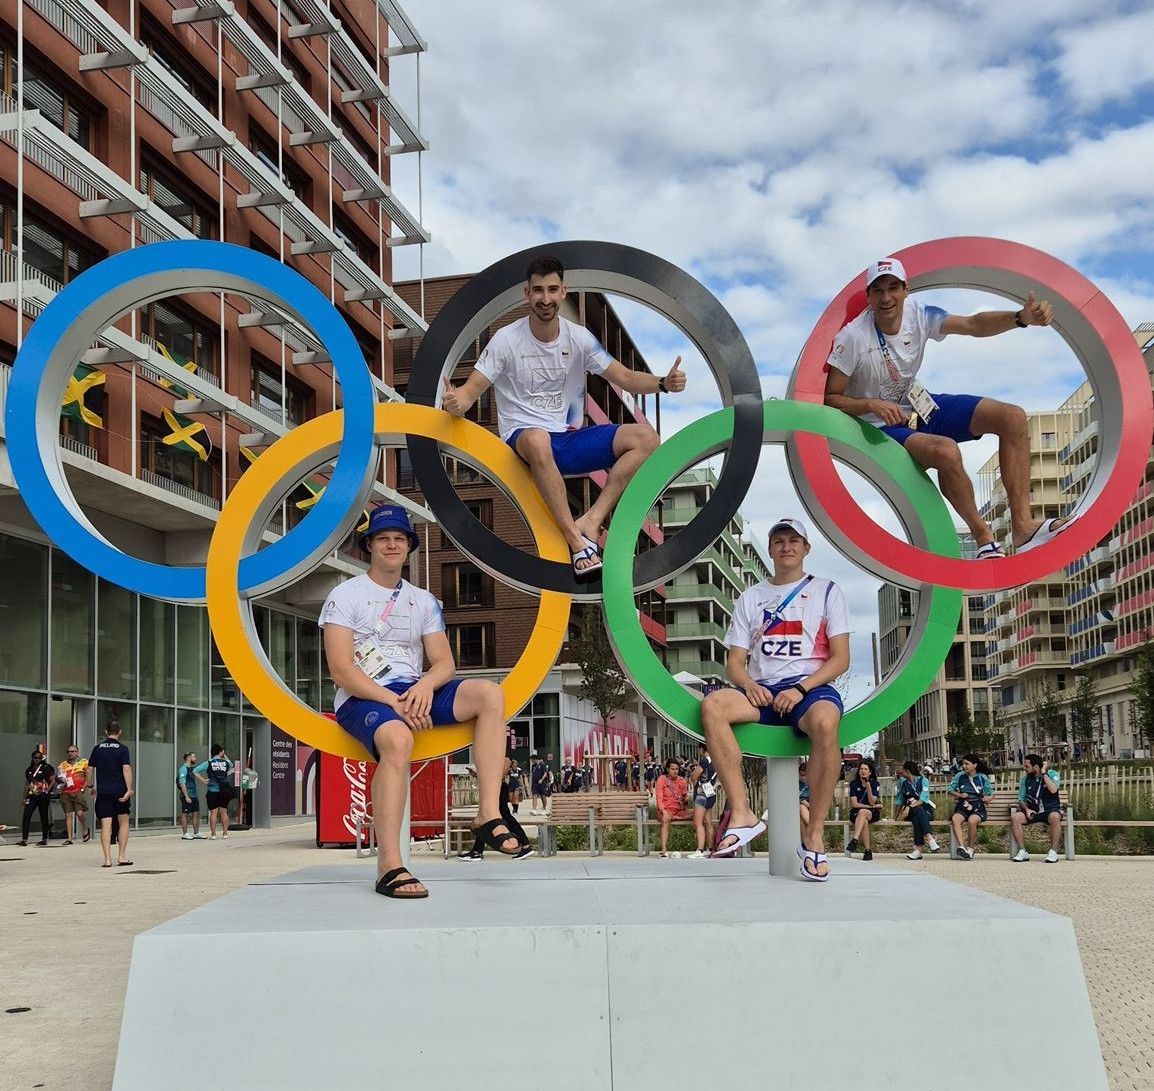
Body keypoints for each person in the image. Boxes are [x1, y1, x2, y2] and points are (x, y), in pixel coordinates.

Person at [441, 255, 687, 578]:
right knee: (537, 438)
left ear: (563, 292)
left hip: (565, 440)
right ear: (526, 294)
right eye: (538, 290)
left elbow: (624, 377)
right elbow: (470, 391)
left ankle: (592, 521)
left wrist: (663, 384)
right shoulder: (505, 340)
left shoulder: (579, 338)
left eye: (552, 290)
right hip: (524, 441)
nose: (546, 298)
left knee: (647, 439)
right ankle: (575, 542)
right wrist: (456, 401)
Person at [321, 505, 520, 899]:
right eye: (383, 538)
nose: (392, 544)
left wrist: (426, 686)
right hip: (364, 696)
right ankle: (389, 865)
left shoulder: (423, 600)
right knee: (397, 740)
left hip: (415, 691)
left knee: (490, 695)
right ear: (370, 546)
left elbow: (444, 662)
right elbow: (342, 671)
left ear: (409, 546)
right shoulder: (344, 595)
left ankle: (488, 813)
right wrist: (394, 701)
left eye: (399, 538)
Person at [825, 257, 1070, 557]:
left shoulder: (920, 314)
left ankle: (1023, 528)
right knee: (946, 451)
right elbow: (830, 398)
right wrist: (870, 404)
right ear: (869, 297)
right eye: (878, 291)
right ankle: (984, 538)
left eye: (893, 288)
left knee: (1011, 417)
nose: (886, 297)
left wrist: (1020, 318)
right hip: (877, 425)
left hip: (915, 406)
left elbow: (971, 325)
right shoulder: (853, 337)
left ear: (905, 290)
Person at [701, 517, 851, 880]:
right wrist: (749, 684)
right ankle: (742, 813)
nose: (786, 546)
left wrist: (800, 689)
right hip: (763, 690)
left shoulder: (827, 590)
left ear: (806, 548)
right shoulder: (751, 597)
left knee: (826, 724)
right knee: (713, 705)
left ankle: (813, 836)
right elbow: (735, 663)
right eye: (779, 540)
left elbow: (841, 658)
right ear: (769, 549)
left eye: (794, 540)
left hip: (809, 688)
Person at [459, 755, 534, 862]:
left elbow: (500, 774)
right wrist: (478, 775)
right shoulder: (493, 754)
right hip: (493, 788)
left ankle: (526, 845)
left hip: (498, 788)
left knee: (503, 817)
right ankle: (477, 851)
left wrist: (483, 776)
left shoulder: (504, 757)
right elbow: (492, 775)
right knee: (487, 819)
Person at [86, 717, 133, 867]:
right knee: (123, 822)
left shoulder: (97, 749)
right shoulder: (123, 749)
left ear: (106, 732)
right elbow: (126, 769)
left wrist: (90, 785)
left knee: (106, 826)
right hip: (120, 791)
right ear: (120, 732)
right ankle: (122, 856)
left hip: (104, 792)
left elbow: (89, 769)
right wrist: (128, 789)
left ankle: (107, 859)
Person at [1010, 754, 1064, 863]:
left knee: (1055, 817)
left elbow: (1053, 790)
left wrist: (1043, 773)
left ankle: (1053, 852)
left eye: (1026, 766)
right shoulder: (1025, 779)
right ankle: (1022, 851)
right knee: (1016, 817)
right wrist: (1026, 809)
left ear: (1035, 767)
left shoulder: (1052, 774)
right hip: (1033, 811)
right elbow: (1021, 799)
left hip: (1050, 810)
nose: (1024, 768)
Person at [948, 754, 994, 860]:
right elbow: (950, 789)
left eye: (967, 764)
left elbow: (990, 792)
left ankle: (971, 849)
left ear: (975, 765)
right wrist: (960, 795)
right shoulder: (960, 776)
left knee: (972, 821)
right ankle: (961, 847)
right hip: (963, 806)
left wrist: (988, 798)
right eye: (963, 764)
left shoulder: (982, 777)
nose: (964, 766)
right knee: (955, 819)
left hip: (977, 807)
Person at [894, 760, 942, 859]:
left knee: (917, 817)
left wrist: (909, 806)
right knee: (917, 812)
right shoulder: (904, 784)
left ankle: (918, 850)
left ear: (908, 771)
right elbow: (900, 800)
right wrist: (895, 818)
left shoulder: (923, 781)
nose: (901, 771)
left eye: (903, 769)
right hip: (910, 813)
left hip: (924, 810)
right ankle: (930, 839)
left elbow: (924, 799)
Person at [194, 744, 234, 839]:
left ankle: (213, 834)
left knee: (213, 812)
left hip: (212, 790)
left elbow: (195, 771)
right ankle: (225, 833)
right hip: (224, 791)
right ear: (220, 752)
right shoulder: (226, 762)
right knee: (224, 811)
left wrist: (204, 780)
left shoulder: (208, 763)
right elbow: (231, 765)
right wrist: (224, 755)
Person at [845, 758, 882, 861]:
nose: (863, 771)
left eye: (866, 769)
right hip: (857, 813)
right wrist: (871, 807)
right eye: (861, 769)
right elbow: (855, 804)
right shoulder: (854, 784)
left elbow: (872, 801)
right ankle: (868, 851)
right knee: (863, 818)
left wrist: (869, 786)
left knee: (863, 813)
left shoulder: (875, 784)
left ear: (870, 772)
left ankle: (855, 840)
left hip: (872, 813)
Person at [655, 758, 693, 858]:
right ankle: (663, 849)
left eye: (677, 769)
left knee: (699, 813)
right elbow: (659, 798)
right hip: (665, 810)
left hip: (678, 811)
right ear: (667, 769)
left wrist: (686, 799)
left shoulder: (682, 781)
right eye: (672, 769)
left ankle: (705, 848)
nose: (675, 771)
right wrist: (664, 811)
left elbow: (685, 804)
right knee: (666, 819)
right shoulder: (662, 779)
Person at [688, 743, 718, 859]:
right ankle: (710, 848)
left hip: (702, 794)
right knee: (707, 821)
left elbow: (694, 776)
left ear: (702, 749)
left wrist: (694, 781)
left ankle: (699, 849)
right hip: (711, 793)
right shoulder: (716, 760)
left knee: (698, 822)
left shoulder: (705, 761)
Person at [19, 749, 54, 847]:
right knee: (26, 815)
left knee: (44, 815)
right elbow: (27, 784)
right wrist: (24, 797)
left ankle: (44, 838)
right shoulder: (29, 770)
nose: (37, 760)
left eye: (39, 758)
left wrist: (47, 791)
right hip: (32, 795)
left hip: (43, 795)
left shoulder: (46, 767)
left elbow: (52, 780)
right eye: (35, 758)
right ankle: (24, 839)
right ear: (32, 758)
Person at [56, 744, 89, 845]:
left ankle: (84, 828)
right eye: (69, 752)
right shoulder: (63, 765)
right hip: (66, 791)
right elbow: (58, 777)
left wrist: (84, 788)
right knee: (68, 814)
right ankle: (70, 838)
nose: (70, 753)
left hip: (78, 790)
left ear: (77, 752)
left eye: (73, 751)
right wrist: (60, 779)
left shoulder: (84, 762)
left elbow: (88, 776)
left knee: (80, 813)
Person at [177, 752, 206, 840]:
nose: (195, 759)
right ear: (189, 758)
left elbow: (197, 774)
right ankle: (185, 833)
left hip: (194, 795)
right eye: (194, 757)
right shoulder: (183, 769)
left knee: (196, 813)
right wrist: (186, 796)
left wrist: (204, 780)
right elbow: (182, 783)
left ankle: (196, 833)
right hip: (186, 795)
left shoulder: (192, 769)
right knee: (185, 814)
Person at [798, 761, 811, 829]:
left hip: (812, 806)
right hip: (800, 806)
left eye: (805, 775)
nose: (803, 777)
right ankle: (812, 828)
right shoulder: (796, 783)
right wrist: (801, 801)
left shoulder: (814, 783)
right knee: (802, 807)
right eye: (801, 775)